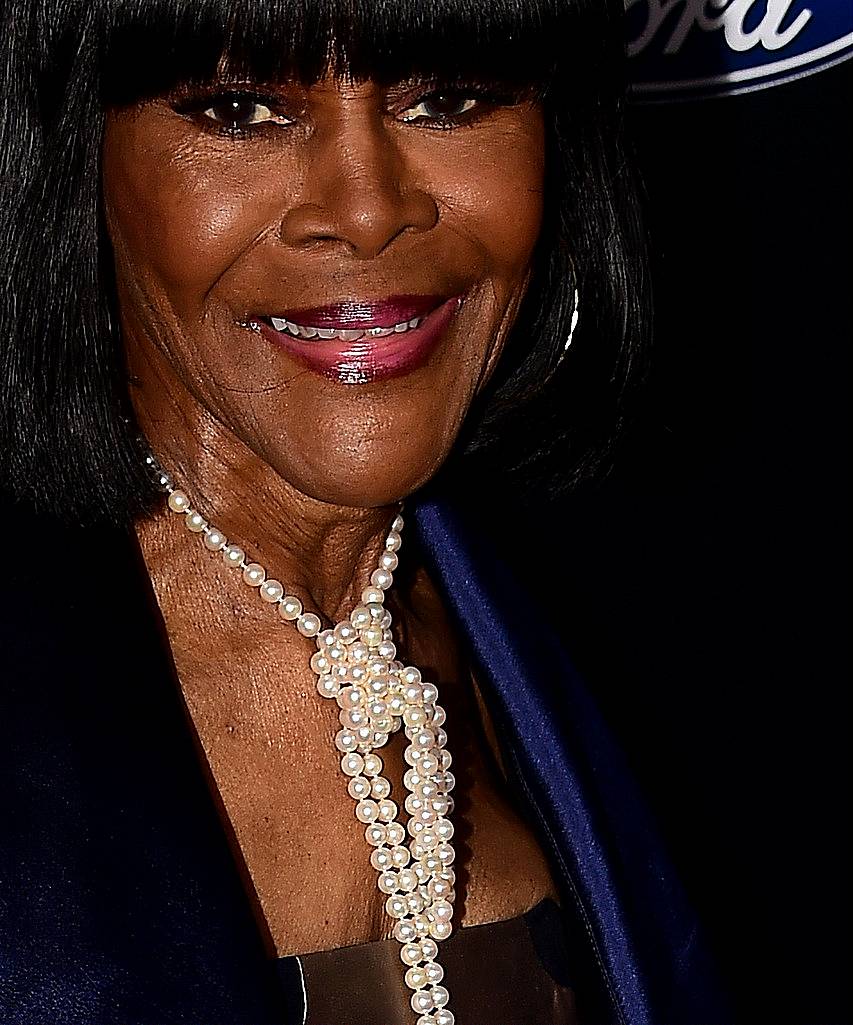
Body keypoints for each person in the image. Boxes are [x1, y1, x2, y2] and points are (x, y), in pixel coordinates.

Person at [0, 1, 731, 1023]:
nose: (368, 207)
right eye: (241, 108)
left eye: (450, 98)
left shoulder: (614, 620)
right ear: (73, 151)